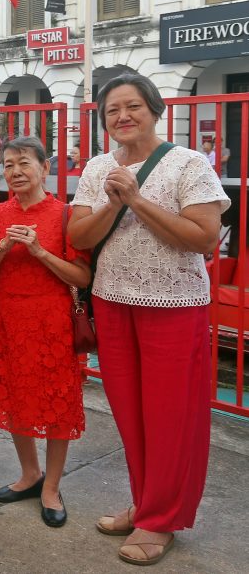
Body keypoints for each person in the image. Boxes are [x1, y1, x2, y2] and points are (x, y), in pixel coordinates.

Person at [68, 73, 228, 566]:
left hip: (174, 306)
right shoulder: (98, 168)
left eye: (132, 106)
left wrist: (136, 200)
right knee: (131, 413)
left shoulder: (188, 164)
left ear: (155, 110)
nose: (122, 117)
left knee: (170, 416)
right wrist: (113, 203)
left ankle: (162, 520)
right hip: (114, 302)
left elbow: (204, 238)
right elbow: (79, 235)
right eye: (112, 110)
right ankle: (145, 504)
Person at [0, 136, 92, 528]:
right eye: (8, 165)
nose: (16, 172)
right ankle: (29, 473)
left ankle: (52, 486)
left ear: (44, 168)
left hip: (52, 321)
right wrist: (4, 246)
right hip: (8, 319)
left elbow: (82, 275)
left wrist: (41, 252)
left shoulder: (65, 215)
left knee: (58, 404)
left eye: (24, 163)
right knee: (15, 396)